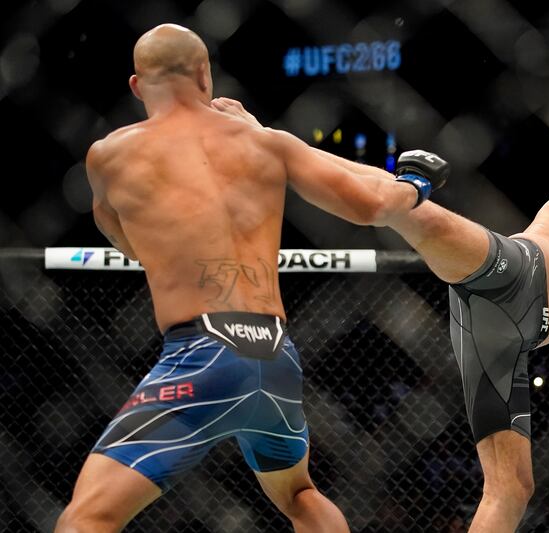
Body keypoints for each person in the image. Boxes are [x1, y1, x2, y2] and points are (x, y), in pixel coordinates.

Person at [212, 96, 549, 532]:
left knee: (512, 487)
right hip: (514, 273)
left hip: (506, 341)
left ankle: (297, 151)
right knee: (398, 206)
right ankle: (263, 137)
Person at [55, 24, 447, 533]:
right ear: (205, 74)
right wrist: (414, 185)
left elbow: (123, 237)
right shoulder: (265, 142)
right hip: (275, 354)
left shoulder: (109, 155)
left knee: (86, 517)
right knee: (300, 494)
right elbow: (371, 204)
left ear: (136, 86)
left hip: (202, 355)